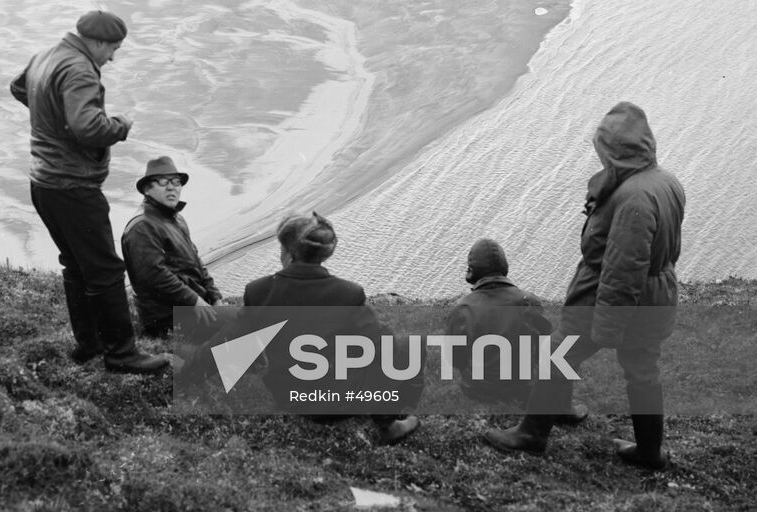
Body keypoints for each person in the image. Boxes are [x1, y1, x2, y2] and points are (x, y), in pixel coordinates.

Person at [484, 102, 685, 469]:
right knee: (642, 371)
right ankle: (649, 452)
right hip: (655, 295)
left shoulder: (634, 198)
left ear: (616, 150)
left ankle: (531, 435)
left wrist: (609, 326)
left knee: (557, 357)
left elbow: (625, 270)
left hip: (610, 296)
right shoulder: (663, 180)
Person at [10, 10, 168, 375]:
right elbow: (89, 127)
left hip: (43, 182)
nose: (112, 57)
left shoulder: (48, 55)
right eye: (112, 48)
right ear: (96, 42)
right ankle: (122, 355)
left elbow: (19, 88)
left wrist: (52, 123)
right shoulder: (80, 69)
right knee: (105, 270)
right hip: (73, 186)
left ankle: (89, 345)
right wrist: (120, 126)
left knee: (76, 265)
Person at [242, 212, 422, 444]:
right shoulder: (348, 293)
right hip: (337, 402)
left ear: (287, 251)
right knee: (388, 341)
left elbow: (243, 348)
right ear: (325, 254)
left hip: (287, 397)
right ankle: (388, 424)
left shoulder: (256, 291)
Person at [447, 238, 587, 423]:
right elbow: (546, 350)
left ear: (472, 271)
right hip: (524, 387)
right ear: (504, 267)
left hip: (478, 389)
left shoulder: (462, 309)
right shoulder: (529, 301)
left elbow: (456, 359)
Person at [121, 156, 223, 337]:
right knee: (243, 337)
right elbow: (154, 276)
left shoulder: (175, 218)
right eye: (163, 181)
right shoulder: (142, 226)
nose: (171, 187)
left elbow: (196, 262)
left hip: (192, 308)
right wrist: (195, 301)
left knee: (258, 327)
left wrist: (215, 296)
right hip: (169, 319)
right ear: (147, 189)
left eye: (176, 182)